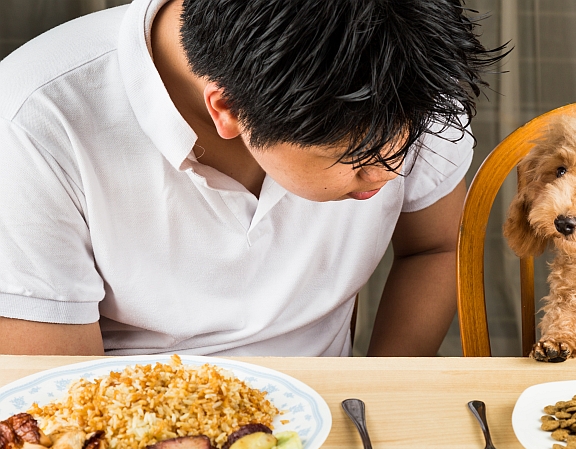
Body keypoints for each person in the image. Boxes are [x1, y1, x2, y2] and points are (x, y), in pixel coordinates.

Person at [0, 0, 506, 357]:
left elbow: (435, 247)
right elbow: (58, 393)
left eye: (408, 139)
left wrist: (379, 398)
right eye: (357, 158)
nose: (394, 171)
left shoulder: (410, 72)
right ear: (228, 109)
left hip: (333, 415)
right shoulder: (33, 123)